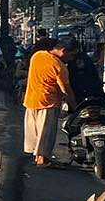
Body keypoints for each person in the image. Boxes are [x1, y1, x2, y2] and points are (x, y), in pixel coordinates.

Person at [22, 31, 72, 167]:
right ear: (63, 51)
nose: (70, 58)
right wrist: (72, 104)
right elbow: (65, 89)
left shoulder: (37, 56)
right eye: (70, 54)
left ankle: (38, 157)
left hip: (31, 100)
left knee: (35, 131)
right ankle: (42, 159)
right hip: (48, 102)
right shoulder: (59, 66)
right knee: (46, 133)